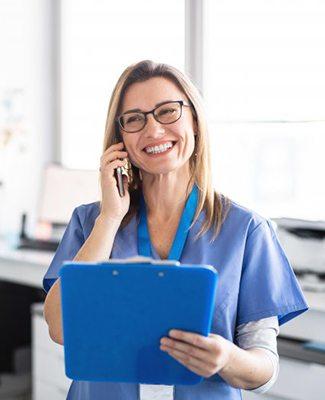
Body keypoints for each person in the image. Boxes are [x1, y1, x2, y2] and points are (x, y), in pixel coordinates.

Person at [43, 60, 308, 400]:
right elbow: (60, 328)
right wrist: (110, 218)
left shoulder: (246, 230)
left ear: (194, 121)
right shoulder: (91, 222)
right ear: (120, 138)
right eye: (135, 119)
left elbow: (264, 369)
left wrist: (226, 357)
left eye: (167, 111)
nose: (153, 131)